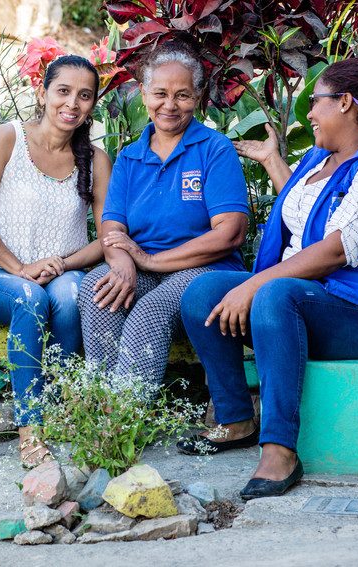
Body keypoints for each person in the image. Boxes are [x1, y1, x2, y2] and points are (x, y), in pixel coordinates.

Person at [179, 58, 358, 500]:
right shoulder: (319, 159)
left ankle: (280, 451)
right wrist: (274, 162)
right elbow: (310, 215)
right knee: (202, 292)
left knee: (273, 293)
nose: (309, 112)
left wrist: (253, 284)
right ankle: (236, 420)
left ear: (345, 103)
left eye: (317, 101)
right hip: (307, 299)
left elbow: (330, 250)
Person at [0, 55, 111, 468]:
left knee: (70, 293)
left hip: (62, 271)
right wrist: (19, 267)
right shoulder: (7, 138)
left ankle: (64, 407)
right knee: (30, 297)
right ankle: (31, 428)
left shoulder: (95, 160)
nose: (72, 104)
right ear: (42, 93)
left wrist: (60, 264)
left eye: (84, 96)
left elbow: (108, 238)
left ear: (92, 105)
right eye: (63, 91)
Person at [77, 41, 248, 387]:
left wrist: (152, 261)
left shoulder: (214, 149)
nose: (169, 105)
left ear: (197, 96)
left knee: (150, 311)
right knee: (97, 291)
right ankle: (100, 406)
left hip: (204, 268)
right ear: (143, 93)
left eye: (182, 95)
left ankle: (126, 415)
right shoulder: (129, 156)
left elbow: (230, 232)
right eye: (160, 93)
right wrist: (121, 261)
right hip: (143, 264)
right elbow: (112, 224)